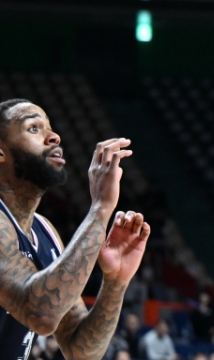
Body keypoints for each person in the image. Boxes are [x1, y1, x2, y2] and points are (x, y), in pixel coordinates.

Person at [0, 100, 151, 360]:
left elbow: (81, 350)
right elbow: (42, 316)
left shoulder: (45, 231)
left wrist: (115, 283)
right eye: (34, 128)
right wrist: (101, 208)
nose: (54, 136)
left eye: (50, 127)